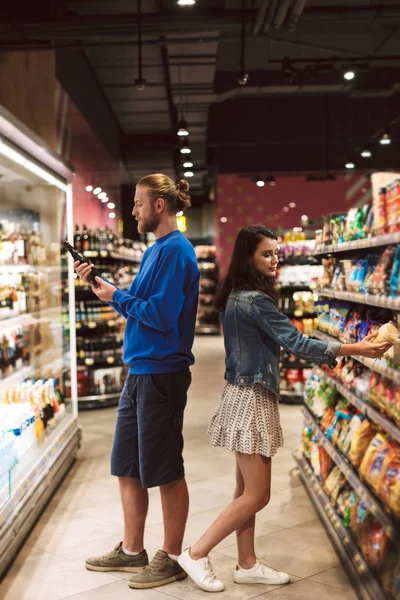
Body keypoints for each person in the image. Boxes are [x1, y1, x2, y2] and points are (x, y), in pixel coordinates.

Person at [178, 225, 391, 593]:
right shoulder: (256, 301)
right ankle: (196, 553)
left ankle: (246, 564)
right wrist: (358, 348)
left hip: (241, 394)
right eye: (266, 254)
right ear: (249, 257)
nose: (275, 260)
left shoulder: (236, 296)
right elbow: (297, 343)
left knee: (244, 490)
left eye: (277, 253)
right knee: (257, 495)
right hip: (252, 398)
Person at [74, 174, 200, 590]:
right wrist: (107, 288)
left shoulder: (177, 252)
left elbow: (162, 316)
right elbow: (142, 303)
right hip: (139, 371)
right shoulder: (153, 251)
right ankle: (133, 551)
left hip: (162, 373)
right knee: (127, 466)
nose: (133, 211)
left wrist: (117, 298)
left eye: (138, 204)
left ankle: (172, 556)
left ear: (160, 206)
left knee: (164, 469)